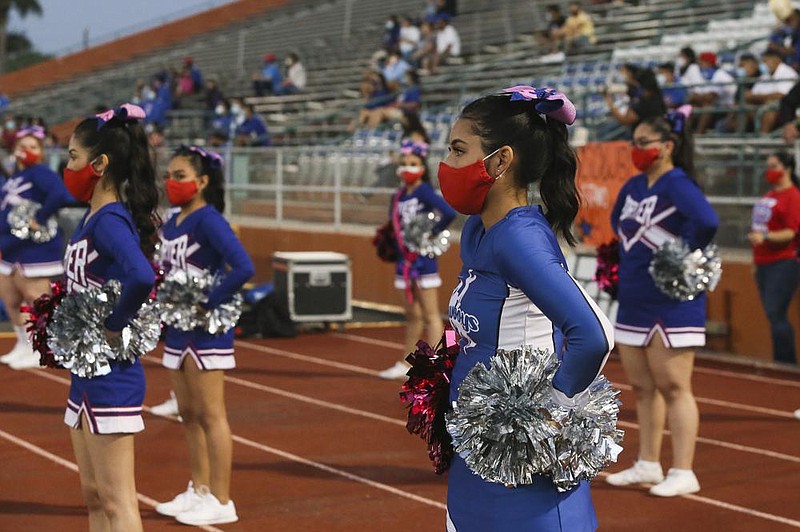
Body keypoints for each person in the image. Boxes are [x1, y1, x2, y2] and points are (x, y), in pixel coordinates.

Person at [439, 86, 613, 531]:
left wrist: (549, 414)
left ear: (500, 161)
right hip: (479, 459)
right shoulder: (479, 230)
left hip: (522, 479)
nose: (447, 165)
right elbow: (469, 328)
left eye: (459, 151)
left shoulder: (519, 238)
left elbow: (594, 335)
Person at [606, 107, 719, 497]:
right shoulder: (634, 186)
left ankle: (684, 469)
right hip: (635, 295)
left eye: (643, 143)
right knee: (640, 386)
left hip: (671, 301)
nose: (636, 149)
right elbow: (617, 222)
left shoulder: (678, 183)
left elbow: (706, 221)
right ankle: (648, 463)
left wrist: (681, 257)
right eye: (633, 143)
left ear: (667, 146)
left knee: (674, 385)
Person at [62, 104, 160, 531]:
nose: (66, 167)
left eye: (72, 157)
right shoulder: (93, 217)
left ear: (99, 165)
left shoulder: (109, 221)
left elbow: (141, 275)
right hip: (86, 370)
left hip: (112, 375)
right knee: (94, 495)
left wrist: (114, 324)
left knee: (119, 502)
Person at [154, 145, 254, 526]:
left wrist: (208, 301)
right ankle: (198, 488)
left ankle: (222, 498)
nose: (171, 183)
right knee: (188, 413)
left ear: (203, 181)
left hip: (206, 330)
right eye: (169, 176)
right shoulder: (173, 221)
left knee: (211, 415)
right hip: (178, 329)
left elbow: (242, 266)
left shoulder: (209, 220)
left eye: (180, 176)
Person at [378, 140, 456, 380]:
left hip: (423, 261)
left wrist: (431, 233)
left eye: (412, 164)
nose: (407, 168)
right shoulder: (399, 195)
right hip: (404, 261)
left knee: (431, 315)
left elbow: (449, 212)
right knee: (412, 315)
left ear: (422, 166)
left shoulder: (423, 191)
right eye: (403, 164)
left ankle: (430, 366)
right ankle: (405, 362)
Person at [0, 125, 73, 370]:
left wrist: (39, 218)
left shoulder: (41, 172)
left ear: (41, 152)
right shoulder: (14, 177)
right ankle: (23, 343)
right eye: (23, 146)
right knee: (11, 298)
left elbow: (60, 195)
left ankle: (41, 346)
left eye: (33, 147)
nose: (26, 151)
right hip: (12, 247)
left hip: (34, 249)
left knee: (36, 298)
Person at [747, 152, 800, 365]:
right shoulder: (769, 196)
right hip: (763, 262)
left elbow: (791, 232)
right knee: (772, 314)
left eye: (773, 166)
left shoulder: (793, 196)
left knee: (775, 311)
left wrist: (766, 237)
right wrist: (755, 261)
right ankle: (782, 360)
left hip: (784, 260)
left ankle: (786, 362)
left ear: (786, 168)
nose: (769, 170)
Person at [745, 49, 799, 133]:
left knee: (770, 112)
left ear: (776, 59)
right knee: (742, 108)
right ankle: (735, 139)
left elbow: (782, 96)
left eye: (765, 61)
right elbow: (749, 95)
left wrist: (759, 98)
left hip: (781, 109)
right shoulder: (765, 76)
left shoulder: (788, 73)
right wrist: (765, 99)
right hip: (762, 106)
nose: (763, 64)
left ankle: (762, 141)